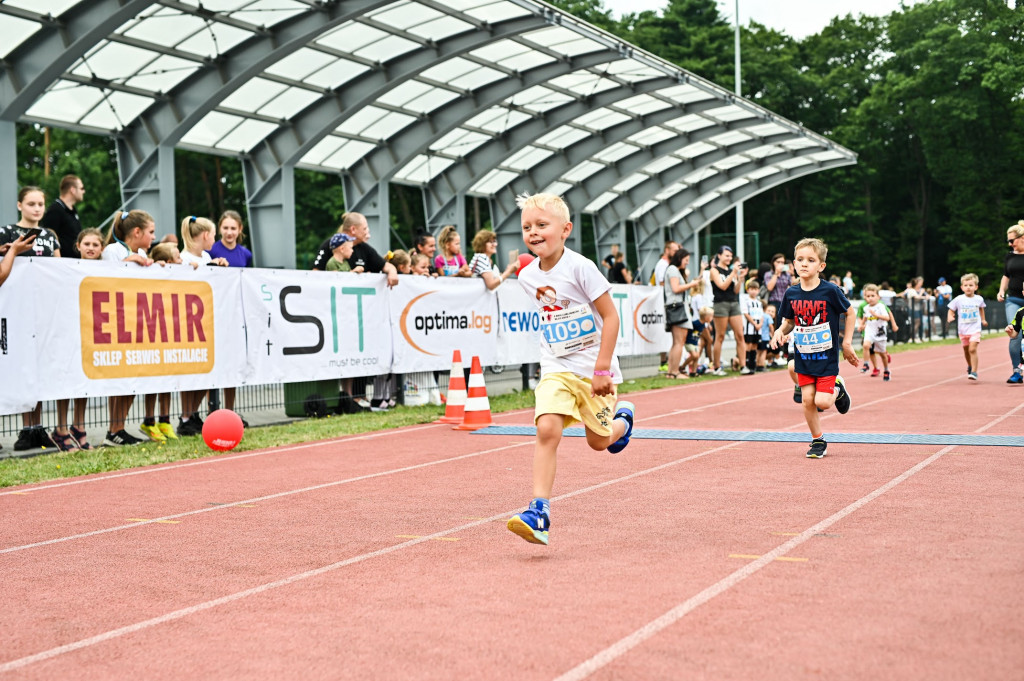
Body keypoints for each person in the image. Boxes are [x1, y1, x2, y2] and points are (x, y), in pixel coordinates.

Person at [506, 192, 635, 546]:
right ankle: (539, 510)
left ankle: (623, 421)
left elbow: (610, 316)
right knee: (547, 428)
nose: (533, 233)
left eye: (541, 225)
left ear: (565, 230)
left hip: (594, 370)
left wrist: (603, 368)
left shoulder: (581, 267)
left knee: (598, 442)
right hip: (556, 366)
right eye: (526, 227)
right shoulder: (527, 276)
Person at [770, 237, 857, 459]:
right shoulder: (791, 293)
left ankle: (838, 388)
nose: (804, 264)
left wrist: (846, 343)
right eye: (800, 259)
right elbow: (788, 322)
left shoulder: (830, 291)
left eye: (810, 260)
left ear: (821, 266)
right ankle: (818, 440)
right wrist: (780, 330)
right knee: (808, 400)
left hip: (826, 357)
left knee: (823, 402)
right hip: (803, 356)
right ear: (794, 264)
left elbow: (850, 312)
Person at [1, 187, 63, 451]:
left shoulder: (50, 236)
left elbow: (61, 270)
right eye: (31, 203)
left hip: (44, 311)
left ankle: (36, 428)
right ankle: (25, 429)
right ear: (19, 205)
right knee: (15, 367)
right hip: (12, 311)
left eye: (40, 204)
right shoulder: (6, 232)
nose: (36, 208)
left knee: (39, 368)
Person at [100, 209, 158, 446]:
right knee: (120, 378)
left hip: (138, 321)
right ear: (137, 232)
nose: (154, 237)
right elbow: (105, 279)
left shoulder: (143, 252)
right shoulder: (112, 251)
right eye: (150, 232)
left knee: (134, 377)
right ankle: (114, 428)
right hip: (117, 321)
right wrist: (127, 262)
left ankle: (120, 427)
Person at [177, 216, 227, 435]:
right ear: (206, 235)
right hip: (187, 320)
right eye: (214, 235)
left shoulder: (207, 256)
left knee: (205, 372)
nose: (214, 240)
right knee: (190, 372)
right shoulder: (183, 257)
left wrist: (219, 266)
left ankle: (193, 414)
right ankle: (185, 416)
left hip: (206, 321)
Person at [709, 245, 748, 375]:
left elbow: (735, 290)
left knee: (740, 335)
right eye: (726, 255)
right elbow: (722, 286)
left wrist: (741, 278)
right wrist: (733, 273)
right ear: (719, 256)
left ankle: (743, 365)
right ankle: (716, 367)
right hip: (721, 304)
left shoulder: (732, 272)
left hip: (733, 303)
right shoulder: (714, 270)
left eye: (731, 256)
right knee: (719, 336)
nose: (729, 258)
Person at [663, 248, 700, 378]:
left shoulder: (673, 270)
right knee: (679, 341)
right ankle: (674, 371)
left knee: (676, 342)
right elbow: (676, 288)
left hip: (676, 308)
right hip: (678, 309)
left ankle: (671, 372)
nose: (687, 263)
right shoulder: (673, 269)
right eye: (686, 260)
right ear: (680, 258)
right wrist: (691, 284)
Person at [997, 221, 1024, 383]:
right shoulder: (1010, 256)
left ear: (1022, 238)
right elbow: (1006, 275)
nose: (1010, 244)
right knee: (1014, 333)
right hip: (1013, 299)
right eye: (1008, 241)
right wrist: (1001, 290)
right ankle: (1016, 371)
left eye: (1012, 240)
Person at [947, 273, 987, 380]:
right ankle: (970, 365)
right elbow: (951, 309)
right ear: (962, 287)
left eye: (970, 285)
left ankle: (974, 371)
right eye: (966, 285)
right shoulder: (958, 299)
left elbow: (981, 308)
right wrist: (950, 316)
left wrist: (983, 319)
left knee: (972, 349)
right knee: (966, 350)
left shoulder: (979, 299)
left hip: (975, 329)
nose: (968, 287)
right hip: (963, 330)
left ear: (976, 287)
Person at [40, 174, 85, 258]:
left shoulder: (73, 211)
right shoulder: (55, 210)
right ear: (73, 190)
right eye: (81, 188)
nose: (83, 191)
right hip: (62, 263)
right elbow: (47, 238)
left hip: (75, 262)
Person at [857, 283, 893, 381]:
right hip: (870, 331)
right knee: (865, 345)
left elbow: (887, 318)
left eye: (873, 296)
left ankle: (886, 370)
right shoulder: (866, 307)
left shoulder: (881, 306)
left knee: (882, 354)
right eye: (868, 296)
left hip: (880, 333)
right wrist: (861, 325)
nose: (870, 298)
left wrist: (876, 315)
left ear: (878, 296)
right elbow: (865, 317)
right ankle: (866, 364)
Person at [740, 278, 764, 374]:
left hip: (758, 328)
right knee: (748, 345)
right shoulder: (746, 301)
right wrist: (754, 323)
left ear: (758, 290)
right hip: (749, 328)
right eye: (751, 289)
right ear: (748, 290)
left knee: (755, 345)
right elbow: (746, 314)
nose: (754, 291)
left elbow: (762, 315)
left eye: (755, 289)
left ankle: (753, 366)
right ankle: (747, 365)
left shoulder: (759, 302)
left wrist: (760, 324)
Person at [1003, 279, 1024, 376]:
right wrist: (1009, 331)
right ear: (1023, 293)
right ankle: (1017, 370)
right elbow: (1014, 334)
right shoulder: (1020, 313)